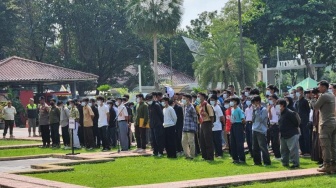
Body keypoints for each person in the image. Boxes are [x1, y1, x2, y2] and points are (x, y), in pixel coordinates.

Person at [313, 80, 336, 173]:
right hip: (333, 122)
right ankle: (334, 165)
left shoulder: (324, 96)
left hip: (325, 124)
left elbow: (315, 106)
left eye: (319, 87)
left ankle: (327, 165)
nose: (318, 89)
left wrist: (314, 99)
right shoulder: (332, 95)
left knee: (325, 145)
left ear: (324, 87)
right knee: (333, 145)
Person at [278, 99, 300, 169]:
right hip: (283, 134)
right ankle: (285, 163)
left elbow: (296, 122)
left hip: (291, 134)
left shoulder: (290, 112)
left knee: (293, 150)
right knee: (283, 150)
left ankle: (295, 164)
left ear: (282, 105)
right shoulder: (281, 113)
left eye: (278, 105)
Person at [251, 95, 271, 166]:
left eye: (255, 102)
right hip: (254, 129)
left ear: (258, 102)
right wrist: (254, 111)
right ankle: (257, 161)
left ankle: (267, 161)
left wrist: (258, 110)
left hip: (261, 130)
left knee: (263, 146)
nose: (254, 104)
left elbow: (261, 119)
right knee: (255, 147)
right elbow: (252, 119)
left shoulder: (264, 110)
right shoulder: (254, 109)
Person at [197, 92, 215, 161]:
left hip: (207, 123)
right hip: (202, 123)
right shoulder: (199, 106)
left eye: (199, 96)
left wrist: (211, 124)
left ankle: (210, 157)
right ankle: (204, 156)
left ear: (203, 97)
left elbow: (211, 116)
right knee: (202, 140)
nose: (198, 98)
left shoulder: (207, 105)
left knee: (208, 141)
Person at [295, 86, 311, 157]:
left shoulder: (305, 101)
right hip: (299, 121)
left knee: (306, 136)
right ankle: (303, 150)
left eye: (299, 91)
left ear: (302, 91)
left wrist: (306, 118)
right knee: (300, 136)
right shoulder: (297, 102)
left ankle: (308, 151)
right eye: (297, 91)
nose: (298, 92)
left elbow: (308, 111)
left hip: (305, 120)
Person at [230, 97, 246, 164]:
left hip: (238, 125)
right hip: (233, 125)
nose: (231, 103)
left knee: (239, 143)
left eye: (232, 101)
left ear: (236, 102)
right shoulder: (232, 109)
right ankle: (235, 158)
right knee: (233, 143)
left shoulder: (239, 110)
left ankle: (242, 159)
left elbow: (243, 119)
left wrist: (242, 127)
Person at [182, 94, 198, 160]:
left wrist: (195, 127)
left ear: (188, 99)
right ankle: (187, 155)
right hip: (185, 127)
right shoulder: (185, 107)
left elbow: (195, 117)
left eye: (184, 98)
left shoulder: (191, 107)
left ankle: (192, 155)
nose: (183, 100)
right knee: (183, 142)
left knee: (191, 142)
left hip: (190, 128)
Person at [268, 94, 282, 160]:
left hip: (277, 125)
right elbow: (270, 118)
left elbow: (279, 115)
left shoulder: (278, 107)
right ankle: (276, 155)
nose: (271, 100)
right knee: (272, 141)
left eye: (272, 99)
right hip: (271, 125)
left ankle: (278, 155)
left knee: (276, 141)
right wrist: (269, 110)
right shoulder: (270, 107)